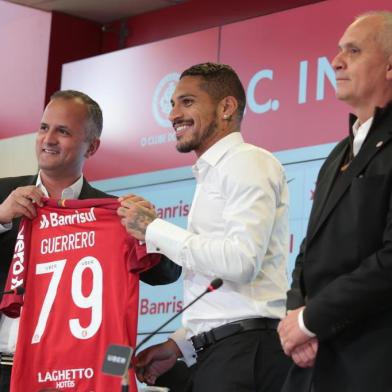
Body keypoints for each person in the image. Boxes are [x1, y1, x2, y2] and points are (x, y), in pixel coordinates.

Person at [118, 62, 291, 392]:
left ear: (226, 107)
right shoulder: (216, 171)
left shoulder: (246, 161)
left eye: (187, 102)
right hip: (224, 354)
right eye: (172, 104)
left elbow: (241, 262)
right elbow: (228, 297)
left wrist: (153, 229)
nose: (172, 115)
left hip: (246, 356)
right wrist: (179, 346)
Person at [0, 90, 181, 391]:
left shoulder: (113, 212)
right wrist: (2, 217)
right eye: (44, 128)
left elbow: (168, 273)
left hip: (75, 378)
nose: (48, 139)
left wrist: (149, 230)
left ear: (92, 146)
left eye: (63, 131)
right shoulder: (4, 196)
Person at [278, 11, 392, 392]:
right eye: (338, 50)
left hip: (373, 363)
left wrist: (312, 319)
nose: (336, 61)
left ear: (390, 67)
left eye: (354, 51)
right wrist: (297, 313)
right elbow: (309, 251)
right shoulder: (338, 154)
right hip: (315, 362)